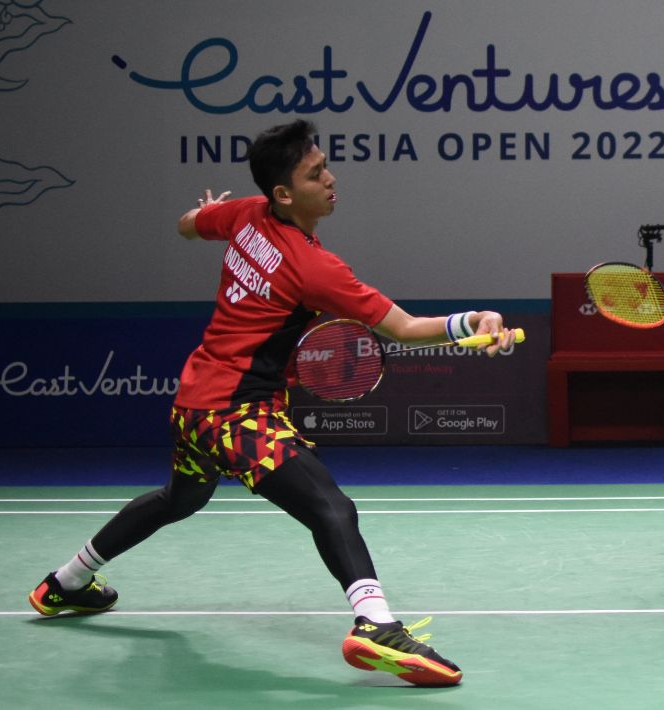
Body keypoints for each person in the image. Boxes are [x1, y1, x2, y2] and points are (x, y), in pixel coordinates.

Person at [26, 119, 519, 687]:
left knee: (178, 499)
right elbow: (405, 329)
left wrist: (204, 211)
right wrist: (473, 322)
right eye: (316, 174)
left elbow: (189, 225)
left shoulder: (243, 213)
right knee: (331, 506)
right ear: (283, 193)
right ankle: (375, 625)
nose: (332, 179)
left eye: (326, 166)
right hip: (236, 414)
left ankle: (64, 583)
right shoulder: (314, 268)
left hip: (192, 405)